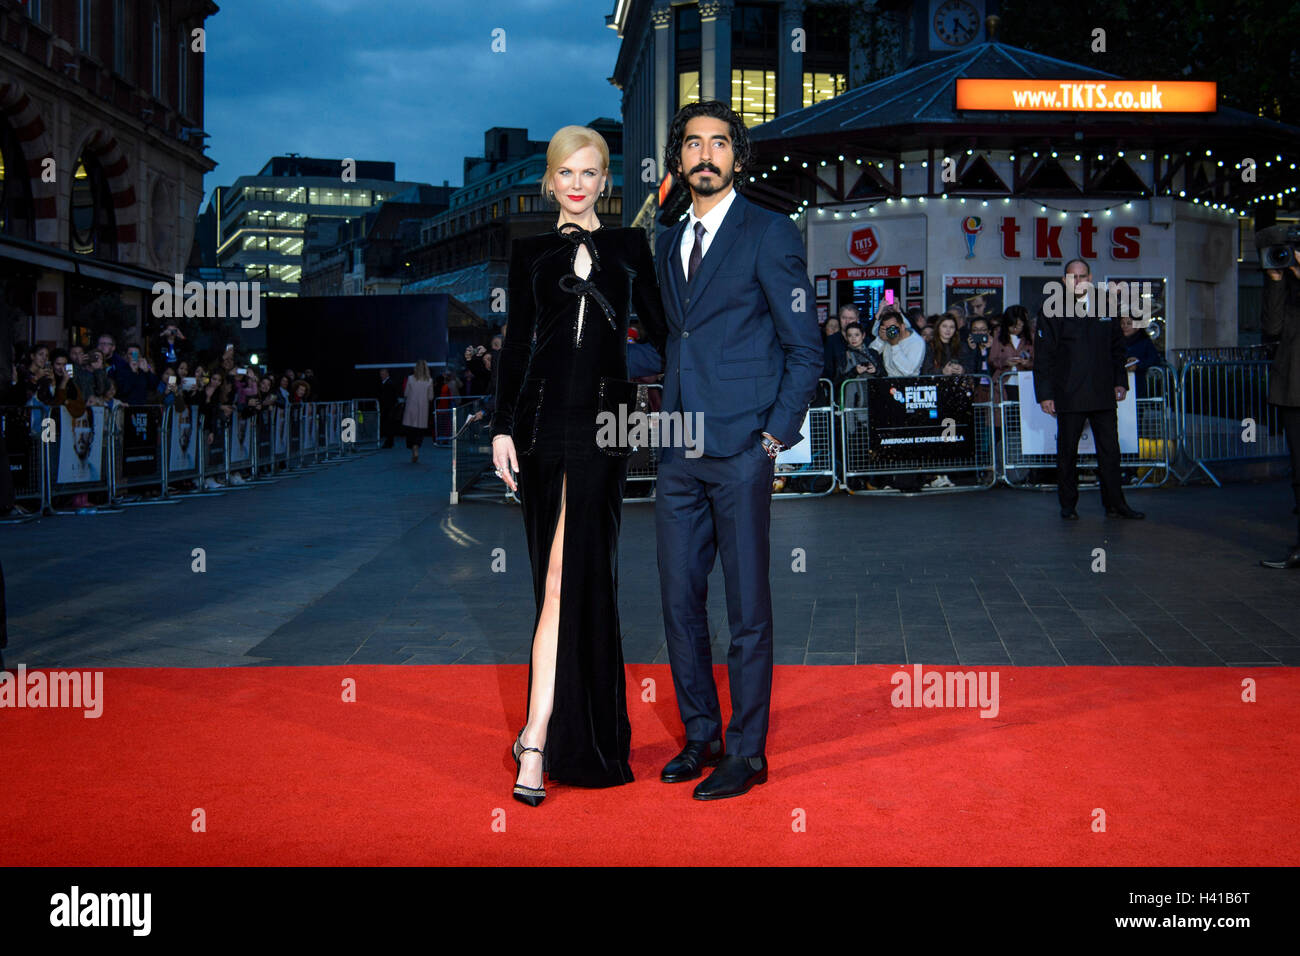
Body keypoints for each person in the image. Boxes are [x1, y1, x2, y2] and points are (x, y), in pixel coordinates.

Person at [634, 100, 821, 800]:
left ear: (738, 158)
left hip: (743, 447)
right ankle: (701, 734)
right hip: (679, 448)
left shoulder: (770, 233)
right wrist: (589, 356)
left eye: (719, 143)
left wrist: (774, 435)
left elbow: (805, 348)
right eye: (692, 144)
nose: (705, 155)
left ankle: (748, 751)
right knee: (678, 602)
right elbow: (668, 344)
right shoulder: (666, 241)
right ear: (678, 161)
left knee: (747, 608)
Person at [490, 123, 668, 806]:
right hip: (541, 422)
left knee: (586, 575)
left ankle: (567, 737)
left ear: (605, 183)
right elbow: (515, 347)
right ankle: (539, 737)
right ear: (550, 179)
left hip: (607, 421)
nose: (576, 183)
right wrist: (502, 428)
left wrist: (636, 378)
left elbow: (662, 330)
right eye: (566, 172)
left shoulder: (629, 246)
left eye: (589, 173)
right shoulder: (530, 251)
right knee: (556, 577)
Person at [1034, 258, 1144, 521]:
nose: (1078, 281)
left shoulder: (1107, 304)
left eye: (1083, 276)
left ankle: (1116, 504)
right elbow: (1044, 355)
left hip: (1103, 390)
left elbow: (1118, 348)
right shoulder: (1051, 310)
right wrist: (1045, 394)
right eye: (1073, 277)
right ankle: (1068, 505)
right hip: (1068, 393)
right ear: (1064, 281)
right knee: (1067, 453)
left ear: (1091, 277)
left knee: (1110, 452)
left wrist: (1121, 380)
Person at [1259, 231, 1300, 568]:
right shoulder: (1287, 287)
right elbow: (1271, 327)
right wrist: (1275, 280)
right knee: (1299, 473)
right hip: (1293, 390)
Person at [872, 309, 925, 377]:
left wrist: (894, 345)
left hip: (908, 383)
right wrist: (880, 339)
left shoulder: (917, 342)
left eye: (892, 327)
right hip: (889, 381)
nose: (891, 331)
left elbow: (908, 371)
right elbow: (871, 354)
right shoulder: (887, 337)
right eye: (887, 328)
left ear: (902, 327)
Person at [401, 360, 434, 463]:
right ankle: (416, 446)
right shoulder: (429, 380)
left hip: (411, 408)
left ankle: (413, 448)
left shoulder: (410, 379)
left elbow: (406, 393)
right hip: (423, 410)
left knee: (410, 430)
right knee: (420, 431)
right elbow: (431, 397)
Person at [377, 368, 398, 448]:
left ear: (387, 374)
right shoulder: (387, 383)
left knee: (388, 426)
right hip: (388, 408)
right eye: (381, 374)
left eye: (382, 374)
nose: (381, 376)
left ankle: (389, 442)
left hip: (388, 408)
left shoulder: (389, 384)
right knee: (388, 426)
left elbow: (389, 398)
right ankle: (389, 442)